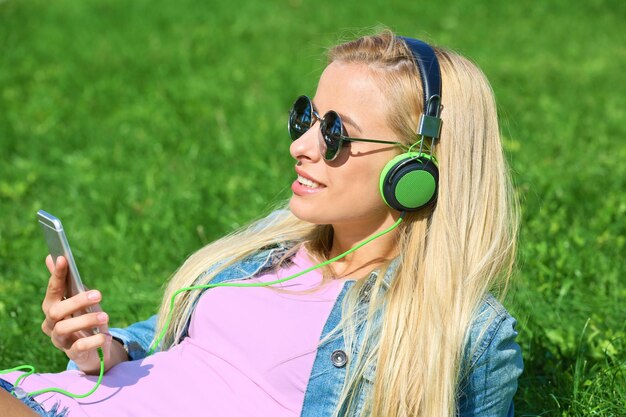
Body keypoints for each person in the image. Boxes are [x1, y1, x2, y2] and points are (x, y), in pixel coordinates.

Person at [0, 29, 523, 417]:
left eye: (336, 133)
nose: (300, 146)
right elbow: (173, 345)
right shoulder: (278, 240)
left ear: (416, 171)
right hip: (50, 400)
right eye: (307, 118)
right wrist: (98, 349)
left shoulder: (465, 332)